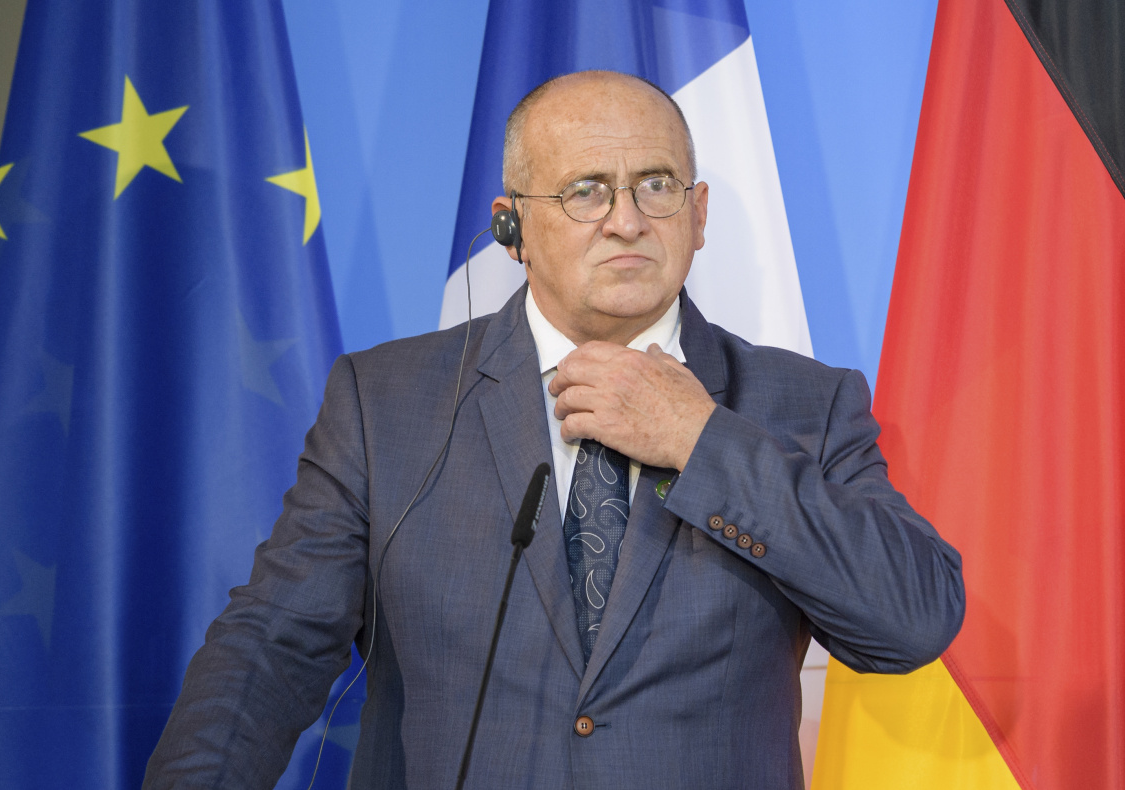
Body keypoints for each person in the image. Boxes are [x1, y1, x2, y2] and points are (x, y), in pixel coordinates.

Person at [145, 71, 964, 789]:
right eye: (586, 191)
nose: (627, 220)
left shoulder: (805, 402)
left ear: (699, 212)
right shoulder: (384, 401)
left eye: (656, 184)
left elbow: (911, 622)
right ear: (512, 228)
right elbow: (273, 646)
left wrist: (702, 441)